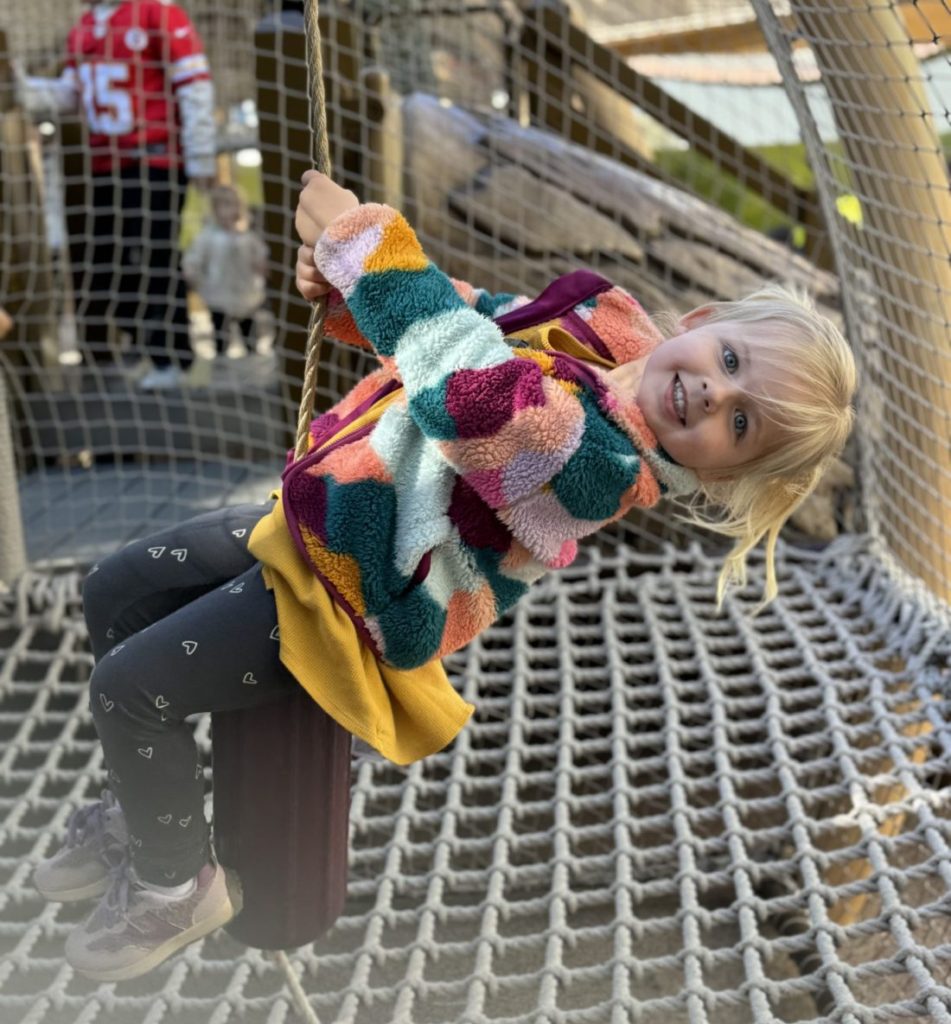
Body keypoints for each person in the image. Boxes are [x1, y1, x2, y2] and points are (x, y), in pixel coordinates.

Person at [32, 172, 856, 981]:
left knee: (128, 688)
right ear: (704, 321)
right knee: (115, 588)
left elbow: (474, 396)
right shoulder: (603, 328)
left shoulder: (599, 465)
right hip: (323, 513)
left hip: (359, 589)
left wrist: (364, 242)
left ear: (717, 474)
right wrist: (350, 292)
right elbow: (467, 316)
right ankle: (139, 816)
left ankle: (173, 884)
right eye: (730, 360)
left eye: (739, 423)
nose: (713, 393)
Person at [20, 0, 216, 390]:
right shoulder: (84, 28)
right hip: (107, 166)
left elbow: (194, 86)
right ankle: (150, 347)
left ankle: (172, 357)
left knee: (153, 254)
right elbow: (70, 95)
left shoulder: (157, 13)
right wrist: (21, 86)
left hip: (155, 160)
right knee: (117, 262)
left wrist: (201, 155)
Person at [182, 184, 268, 358]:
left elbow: (260, 256)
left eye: (236, 204)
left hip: (245, 292)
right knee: (221, 331)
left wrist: (262, 268)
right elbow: (194, 259)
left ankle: (252, 359)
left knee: (249, 330)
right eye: (226, 205)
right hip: (218, 293)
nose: (232, 209)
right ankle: (221, 361)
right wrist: (194, 277)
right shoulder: (208, 236)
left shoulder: (246, 235)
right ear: (215, 209)